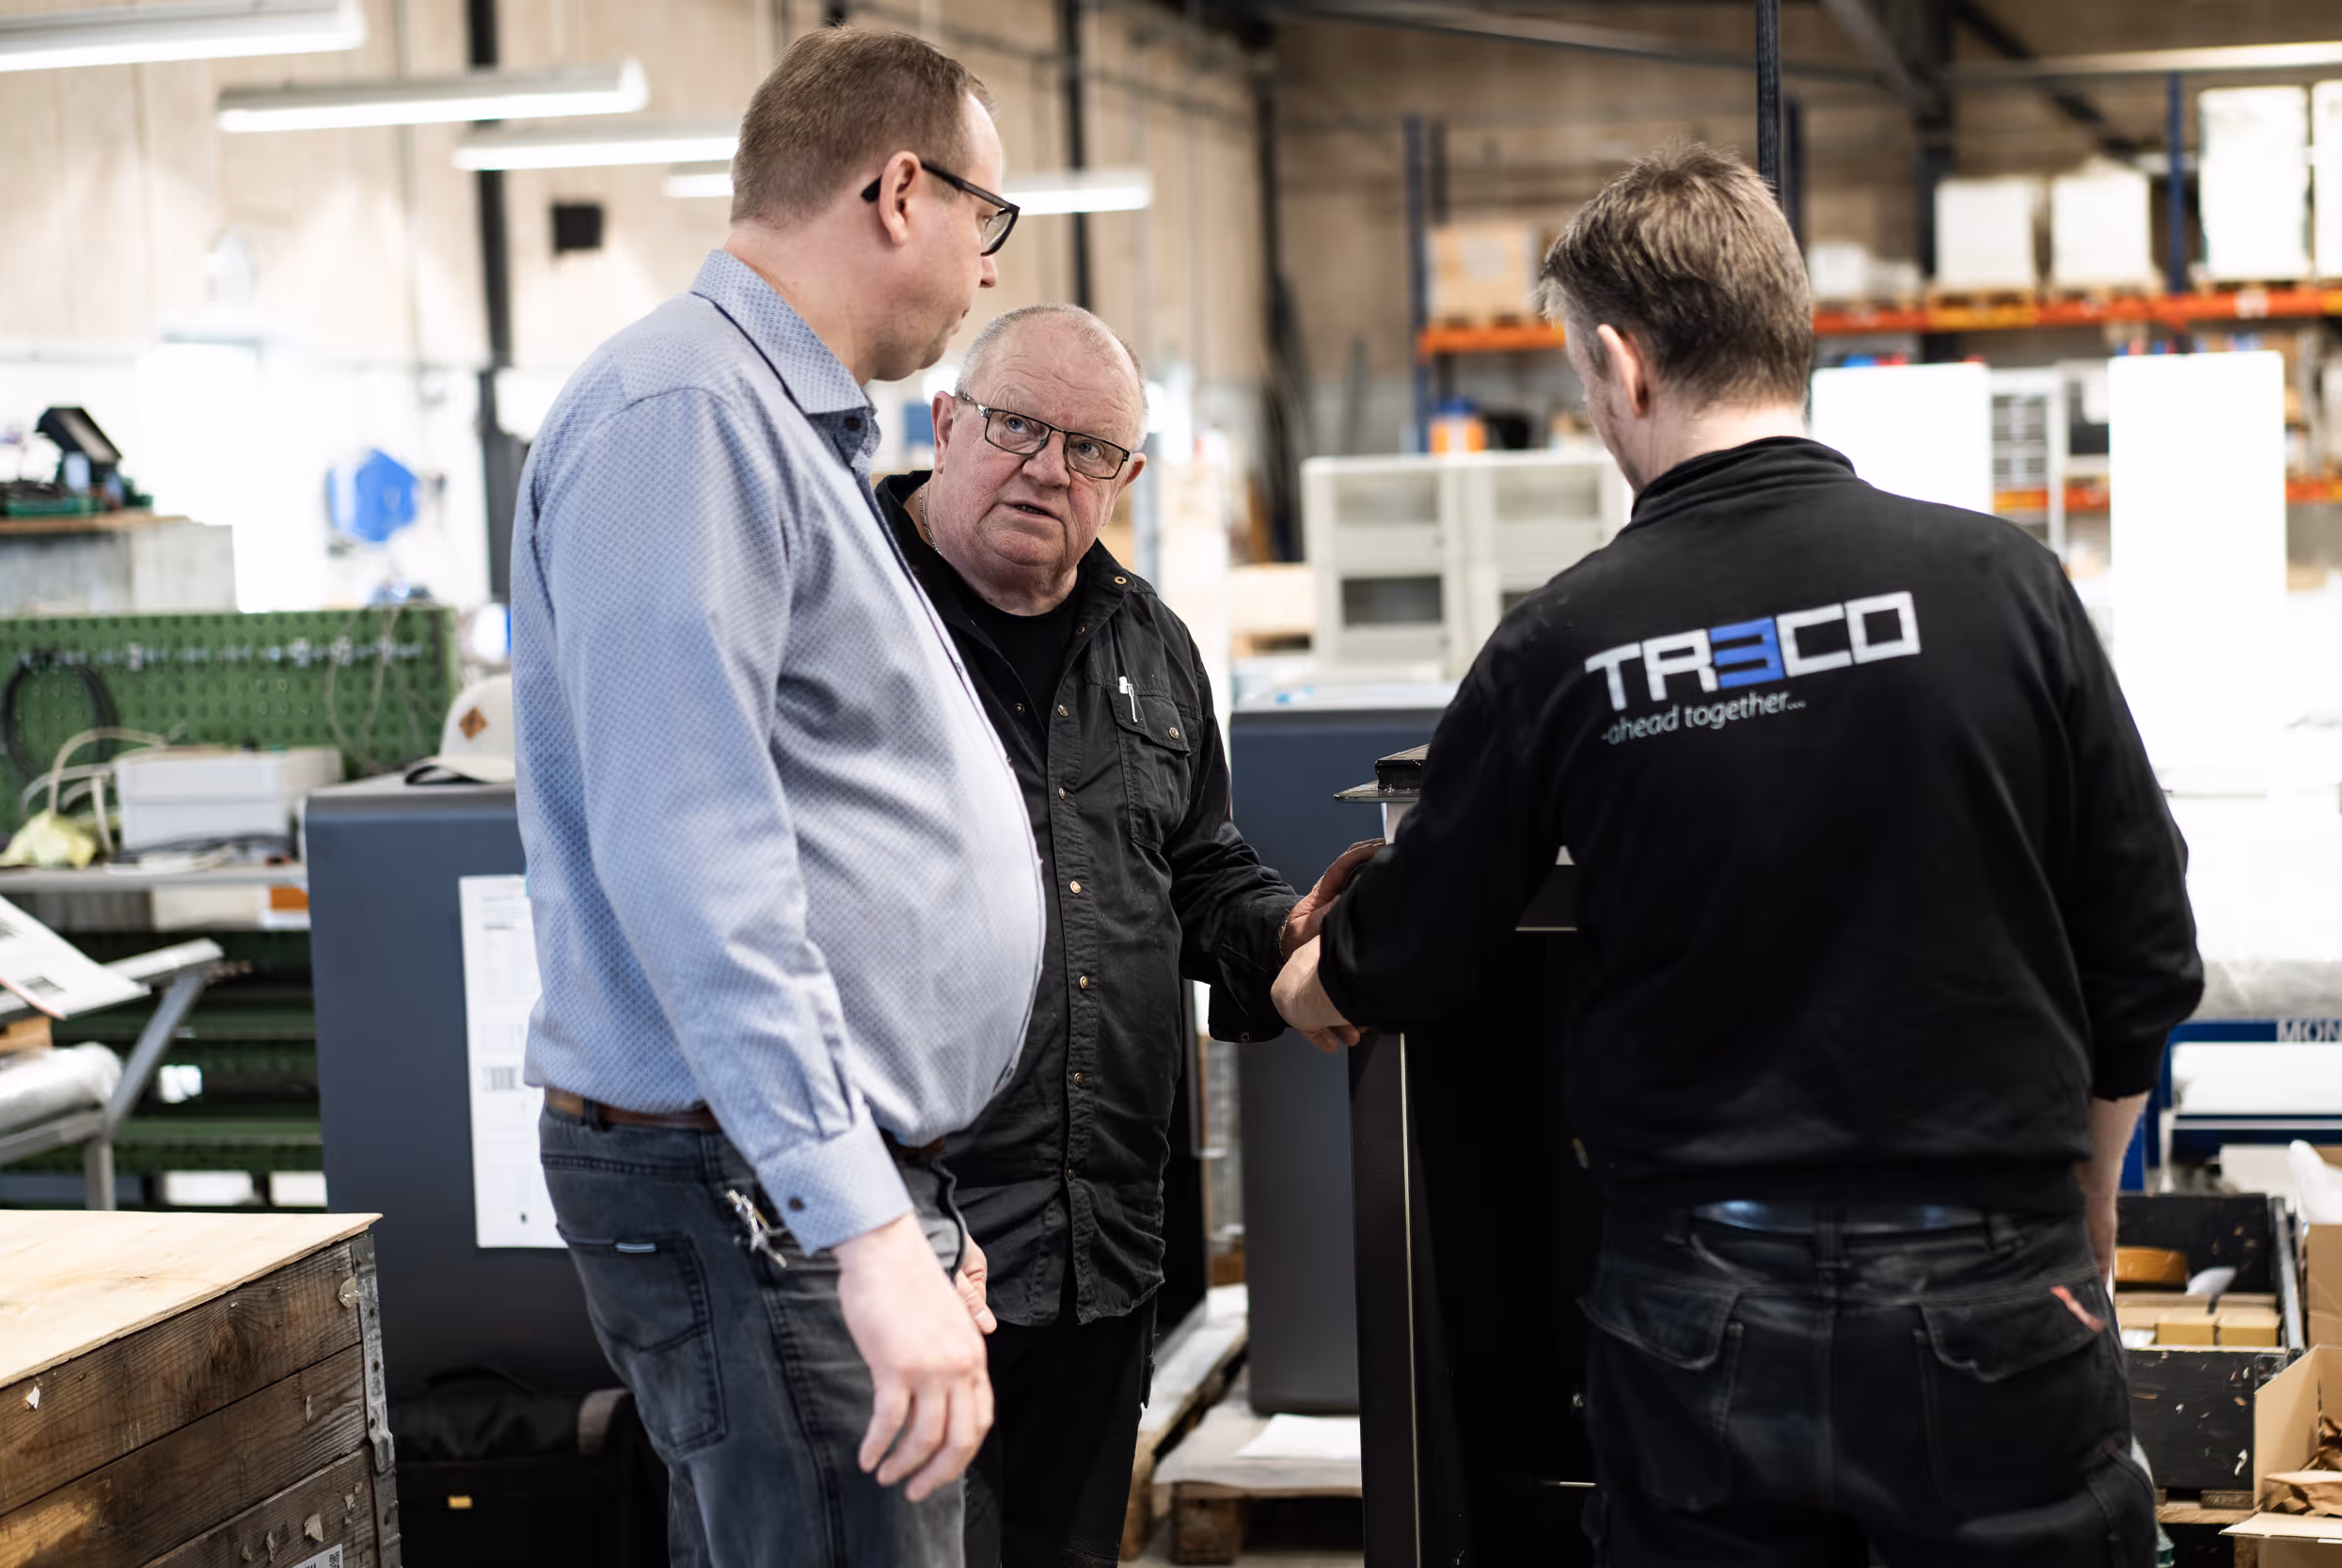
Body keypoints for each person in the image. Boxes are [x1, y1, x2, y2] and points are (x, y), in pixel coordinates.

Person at [1273, 144, 2202, 1565]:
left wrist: (1312, 979)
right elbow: (2143, 944)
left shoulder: (1567, 639)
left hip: (1702, 1304)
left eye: (1585, 380)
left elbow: (1417, 940)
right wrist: (2080, 1204)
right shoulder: (2005, 585)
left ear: (1623, 364)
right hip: (1994, 1278)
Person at [511, 28, 1045, 1567]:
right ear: (900, 190)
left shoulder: (774, 423)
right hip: (749, 1184)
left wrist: (900, 1198)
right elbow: (696, 860)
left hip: (793, 1175)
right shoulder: (683, 417)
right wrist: (863, 1225)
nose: (987, 267)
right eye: (986, 218)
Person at [873, 303, 1372, 1568]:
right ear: (946, 424)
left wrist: (1289, 933)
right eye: (1017, 427)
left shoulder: (1148, 641)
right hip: (909, 1247)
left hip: (1100, 1246)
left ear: (1127, 475)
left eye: (1089, 448)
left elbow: (1196, 869)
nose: (1048, 467)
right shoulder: (848, 620)